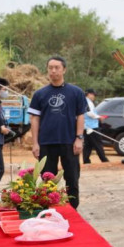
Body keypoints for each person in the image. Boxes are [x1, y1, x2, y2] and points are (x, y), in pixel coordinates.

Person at [28, 56, 87, 208]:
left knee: (72, 178)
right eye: (50, 68)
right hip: (46, 143)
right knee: (48, 179)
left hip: (69, 141)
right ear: (47, 70)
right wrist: (35, 143)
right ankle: (50, 209)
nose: (53, 71)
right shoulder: (40, 94)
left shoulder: (76, 92)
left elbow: (80, 115)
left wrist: (79, 137)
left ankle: (73, 209)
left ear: (64, 70)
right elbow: (35, 119)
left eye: (57, 67)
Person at [82, 89, 110, 164]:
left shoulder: (83, 101)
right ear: (89, 94)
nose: (94, 96)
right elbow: (90, 113)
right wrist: (99, 117)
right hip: (92, 126)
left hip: (86, 126)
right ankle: (104, 159)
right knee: (98, 143)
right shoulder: (88, 102)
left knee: (88, 144)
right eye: (94, 95)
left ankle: (86, 160)